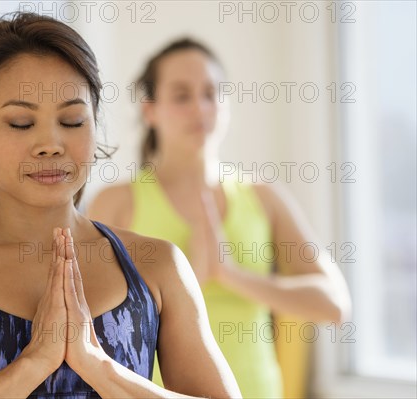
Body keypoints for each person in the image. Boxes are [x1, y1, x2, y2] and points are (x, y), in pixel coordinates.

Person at [0, 13, 242, 398]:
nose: (51, 144)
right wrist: (32, 364)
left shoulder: (157, 265)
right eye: (22, 123)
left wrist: (99, 366)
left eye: (72, 121)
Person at [86, 38, 352, 398]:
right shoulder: (116, 202)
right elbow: (90, 324)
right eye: (182, 95)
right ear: (150, 109)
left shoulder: (263, 198)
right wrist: (187, 279)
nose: (200, 106)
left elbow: (334, 304)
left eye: (211, 93)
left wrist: (231, 275)